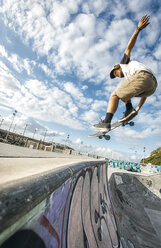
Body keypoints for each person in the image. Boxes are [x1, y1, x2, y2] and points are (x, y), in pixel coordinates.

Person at [94, 15, 157, 130]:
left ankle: (106, 122)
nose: (117, 76)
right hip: (152, 86)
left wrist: (137, 30)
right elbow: (145, 93)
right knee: (125, 93)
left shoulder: (123, 63)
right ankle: (130, 110)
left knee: (115, 94)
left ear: (117, 67)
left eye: (115, 73)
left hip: (143, 77)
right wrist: (138, 108)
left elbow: (129, 47)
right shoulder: (131, 77)